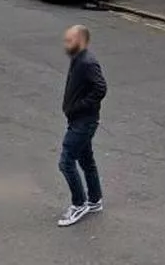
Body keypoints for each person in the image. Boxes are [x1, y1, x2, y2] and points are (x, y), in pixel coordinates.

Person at [58, 24, 108, 227]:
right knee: (86, 161)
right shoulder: (78, 59)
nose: (66, 44)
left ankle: (79, 204)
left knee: (66, 162)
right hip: (79, 119)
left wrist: (79, 107)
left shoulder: (87, 62)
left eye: (69, 40)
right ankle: (95, 200)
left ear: (81, 41)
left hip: (83, 121)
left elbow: (101, 88)